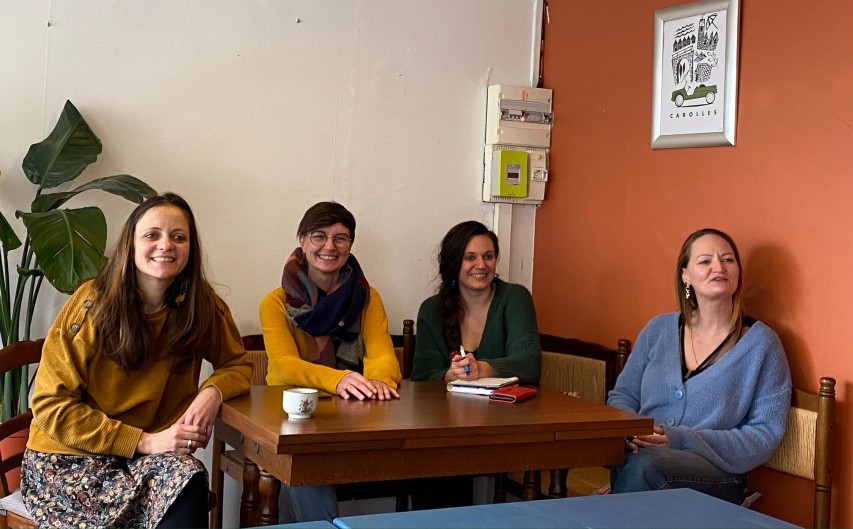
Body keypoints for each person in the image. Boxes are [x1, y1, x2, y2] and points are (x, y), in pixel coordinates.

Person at [20, 192, 253, 529]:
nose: (166, 245)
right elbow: (50, 405)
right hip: (68, 460)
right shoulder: (92, 304)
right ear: (130, 245)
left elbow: (238, 365)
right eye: (152, 235)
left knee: (189, 477)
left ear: (191, 249)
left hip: (141, 460)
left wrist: (211, 393)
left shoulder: (202, 307)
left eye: (179, 237)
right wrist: (145, 441)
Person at [607, 228, 792, 504]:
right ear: (686, 275)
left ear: (737, 272)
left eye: (728, 260)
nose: (719, 267)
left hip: (716, 473)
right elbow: (623, 395)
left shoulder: (762, 344)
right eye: (705, 261)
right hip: (637, 456)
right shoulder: (658, 329)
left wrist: (682, 439)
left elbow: (765, 433)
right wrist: (632, 431)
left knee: (647, 467)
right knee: (635, 463)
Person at [260, 201, 401, 523]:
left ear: (350, 245)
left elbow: (382, 354)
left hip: (350, 418)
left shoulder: (367, 298)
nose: (329, 246)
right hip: (285, 418)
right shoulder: (275, 303)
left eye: (340, 238)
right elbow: (284, 366)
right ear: (302, 240)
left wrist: (379, 381)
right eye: (319, 236)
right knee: (305, 461)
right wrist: (339, 379)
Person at [409, 220, 541, 508]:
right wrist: (449, 374)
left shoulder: (515, 298)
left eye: (488, 256)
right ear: (454, 263)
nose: (481, 265)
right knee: (433, 452)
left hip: (506, 424)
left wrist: (481, 368)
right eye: (470, 257)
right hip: (446, 430)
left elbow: (529, 363)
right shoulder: (432, 309)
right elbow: (420, 377)